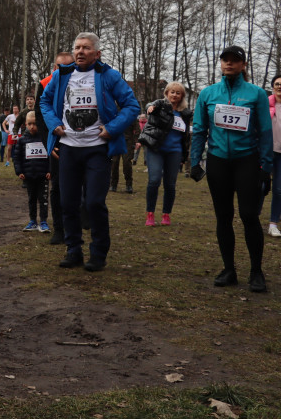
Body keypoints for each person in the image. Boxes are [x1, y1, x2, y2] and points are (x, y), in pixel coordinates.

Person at [40, 33, 139, 272]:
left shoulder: (109, 75)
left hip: (97, 149)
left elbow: (131, 105)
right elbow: (45, 101)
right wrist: (54, 124)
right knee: (68, 203)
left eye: (86, 48)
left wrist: (112, 129)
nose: (80, 52)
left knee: (94, 202)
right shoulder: (62, 75)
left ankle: (98, 253)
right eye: (77, 47)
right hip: (69, 148)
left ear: (97, 53)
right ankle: (73, 250)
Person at [190, 46, 271, 292]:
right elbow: (199, 129)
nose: (229, 64)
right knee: (223, 216)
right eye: (225, 60)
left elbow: (265, 131)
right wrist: (194, 161)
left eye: (235, 61)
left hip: (247, 160)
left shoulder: (256, 94)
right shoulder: (208, 93)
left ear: (243, 65)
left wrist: (265, 166)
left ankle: (256, 271)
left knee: (249, 215)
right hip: (218, 160)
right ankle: (229, 269)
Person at [35, 51, 75, 245]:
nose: (65, 71)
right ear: (54, 68)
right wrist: (48, 145)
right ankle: (59, 229)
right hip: (57, 145)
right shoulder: (44, 85)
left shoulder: (82, 81)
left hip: (80, 142)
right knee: (57, 187)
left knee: (79, 186)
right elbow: (41, 119)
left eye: (69, 66)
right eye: (60, 67)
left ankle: (75, 224)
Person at [138, 82, 189, 227]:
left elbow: (186, 136)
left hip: (175, 151)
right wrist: (150, 108)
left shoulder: (185, 113)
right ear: (167, 93)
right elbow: (149, 105)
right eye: (172, 92)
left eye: (178, 93)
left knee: (170, 184)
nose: (174, 95)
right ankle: (150, 213)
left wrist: (185, 155)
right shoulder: (160, 105)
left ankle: (166, 214)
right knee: (154, 180)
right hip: (156, 149)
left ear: (182, 96)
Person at [13, 110, 51, 232]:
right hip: (29, 176)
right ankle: (32, 221)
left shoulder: (45, 139)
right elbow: (17, 157)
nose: (32, 126)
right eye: (29, 124)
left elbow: (51, 156)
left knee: (43, 199)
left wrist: (50, 170)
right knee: (32, 199)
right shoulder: (22, 140)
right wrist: (19, 171)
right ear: (25, 124)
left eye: (35, 123)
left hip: (43, 176)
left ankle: (44, 221)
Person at [110, 117, 139, 194]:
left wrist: (137, 140)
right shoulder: (115, 112)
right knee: (114, 162)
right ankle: (113, 184)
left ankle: (129, 185)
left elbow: (137, 128)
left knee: (126, 162)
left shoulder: (130, 113)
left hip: (128, 141)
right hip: (116, 140)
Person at [269, 74, 281, 238]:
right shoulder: (265, 104)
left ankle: (273, 223)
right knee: (260, 187)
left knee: (279, 190)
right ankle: (253, 217)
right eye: (277, 83)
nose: (280, 86)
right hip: (266, 152)